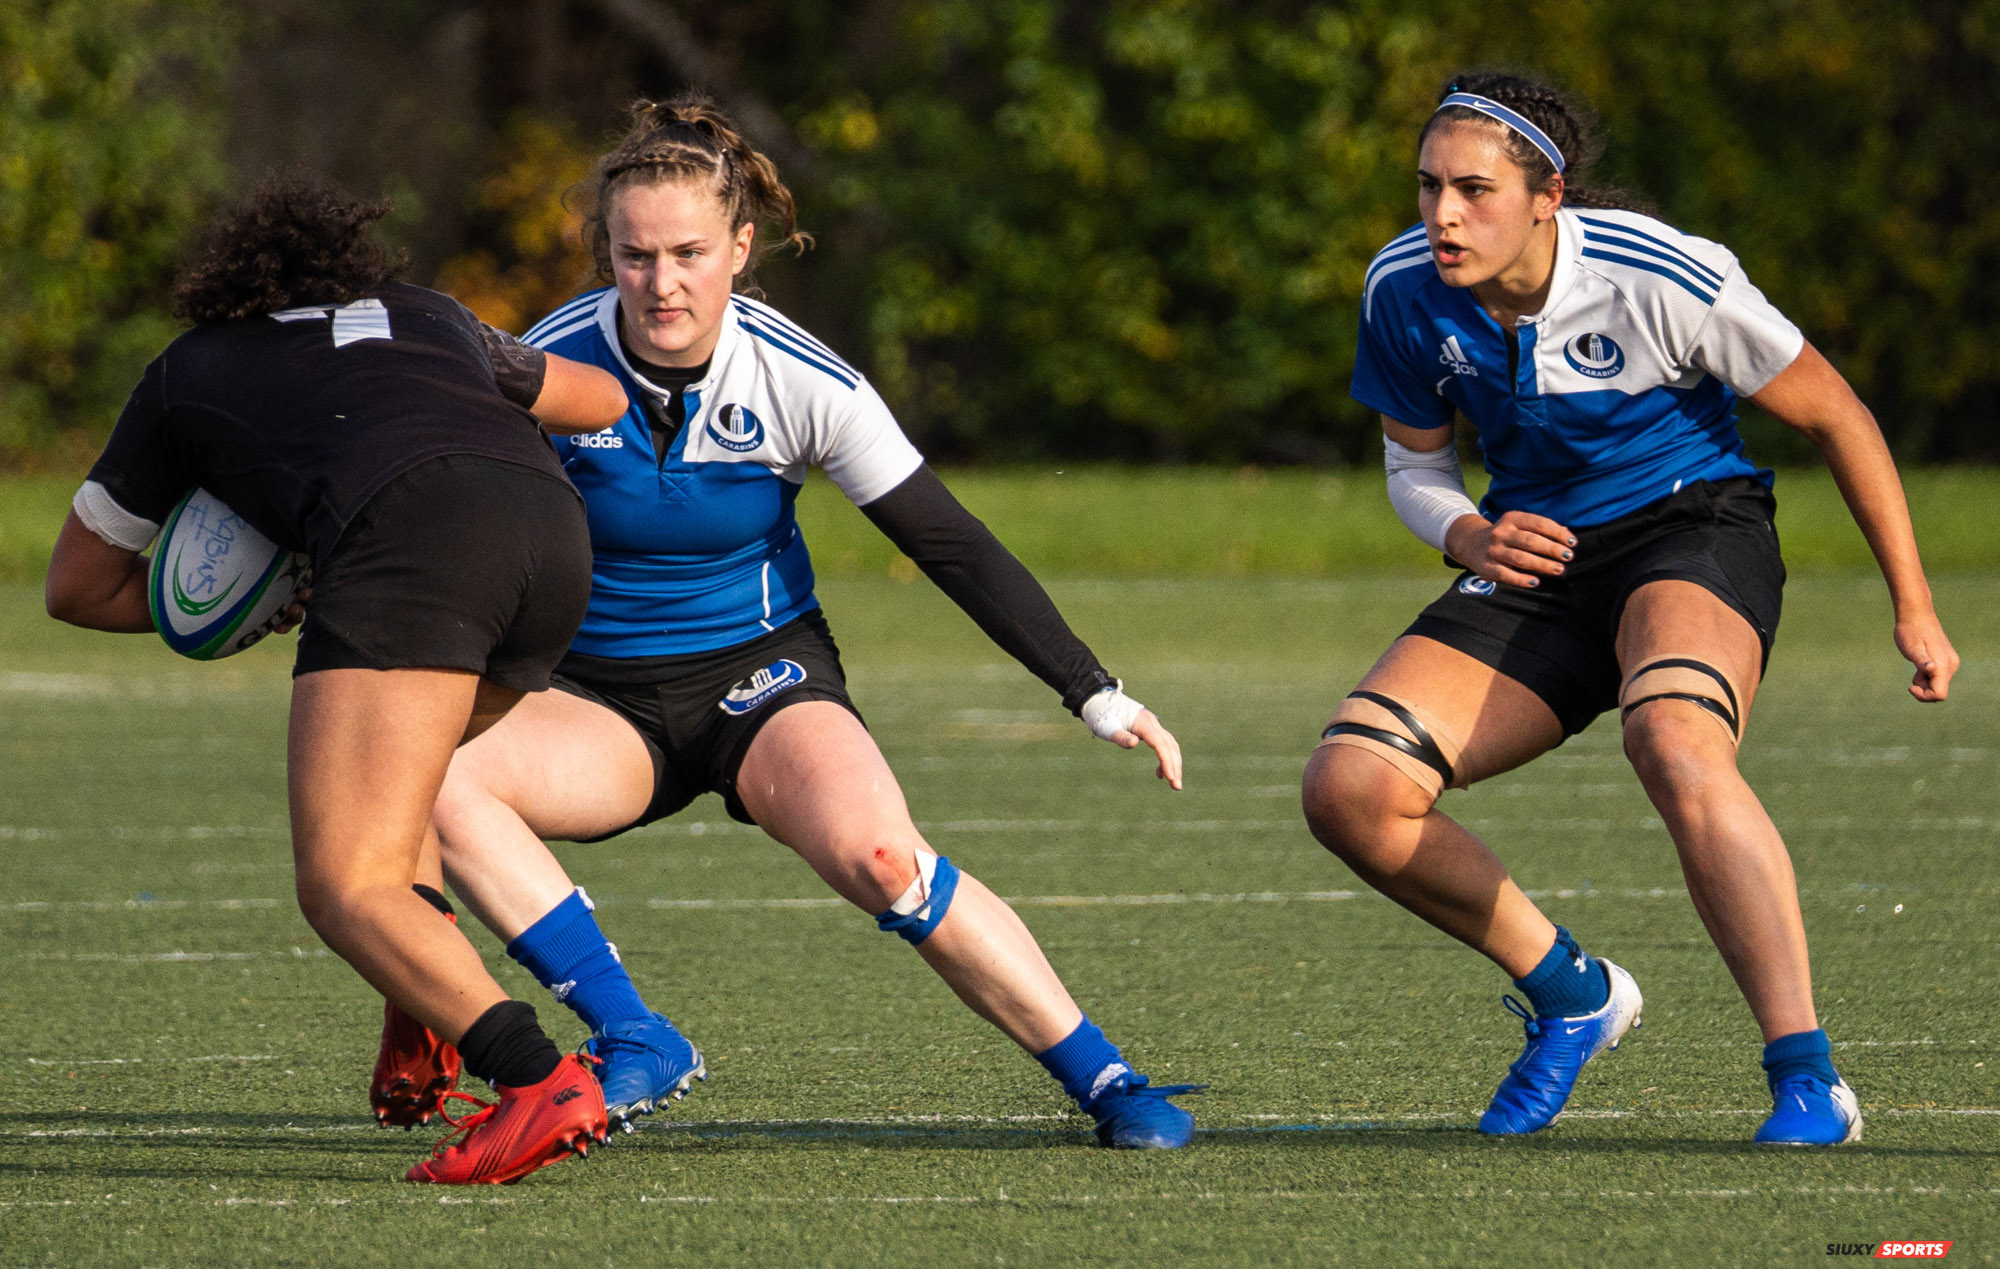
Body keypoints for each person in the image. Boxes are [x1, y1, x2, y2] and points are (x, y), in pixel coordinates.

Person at [373, 96, 1203, 1149]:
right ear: (606, 253)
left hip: (759, 682)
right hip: (596, 700)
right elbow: (456, 526)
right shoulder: (549, 365)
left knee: (883, 858)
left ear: (740, 246)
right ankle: (634, 1034)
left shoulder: (800, 378)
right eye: (634, 256)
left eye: (689, 253)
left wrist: (1094, 691)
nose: (661, 283)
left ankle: (1110, 1081)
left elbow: (948, 543)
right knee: (434, 776)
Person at [1301, 72, 1957, 1145]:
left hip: (1689, 528)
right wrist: (1466, 534)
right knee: (1351, 789)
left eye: (1473, 190)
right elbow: (1414, 469)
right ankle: (1573, 994)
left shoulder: (1659, 274)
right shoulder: (1402, 287)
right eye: (1427, 186)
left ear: (1546, 196)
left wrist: (1913, 605)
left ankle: (1806, 1076)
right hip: (1537, 557)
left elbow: (1838, 416)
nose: (1441, 215)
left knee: (1673, 738)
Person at [44, 176, 638, 1185]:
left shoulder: (191, 368)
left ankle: (537, 1078)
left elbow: (76, 586)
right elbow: (602, 398)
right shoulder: (431, 314)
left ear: (227, 286)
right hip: (549, 539)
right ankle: (423, 1006)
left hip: (409, 540)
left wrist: (259, 599)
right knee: (396, 797)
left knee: (343, 882)